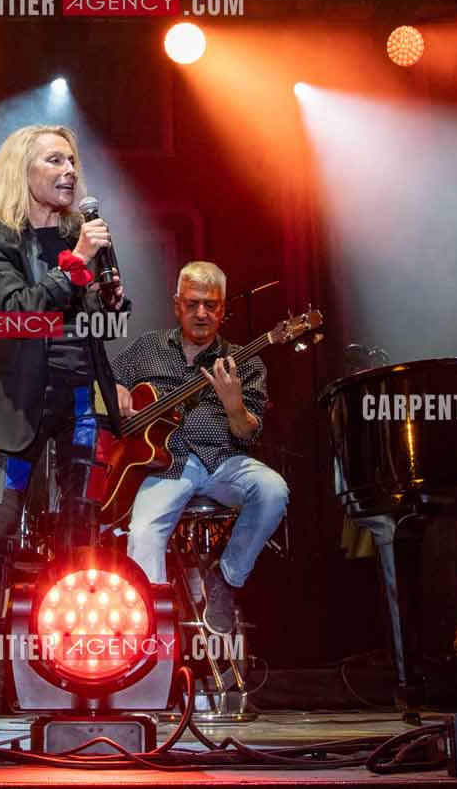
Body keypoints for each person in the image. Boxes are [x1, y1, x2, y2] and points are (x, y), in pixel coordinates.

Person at [0, 123, 126, 729]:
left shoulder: (87, 234)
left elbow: (109, 316)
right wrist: (76, 264)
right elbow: (14, 314)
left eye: (73, 160)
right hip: (19, 406)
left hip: (81, 401)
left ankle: (77, 688)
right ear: (23, 171)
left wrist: (110, 291)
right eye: (54, 160)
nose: (68, 171)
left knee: (80, 542)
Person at [111, 261, 287, 634]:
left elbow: (247, 434)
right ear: (177, 304)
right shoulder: (148, 347)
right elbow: (108, 380)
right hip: (166, 465)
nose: (201, 313)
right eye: (192, 304)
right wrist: (118, 391)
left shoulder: (246, 361)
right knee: (142, 534)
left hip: (223, 460)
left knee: (273, 490)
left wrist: (233, 404)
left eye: (211, 305)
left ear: (223, 309)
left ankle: (226, 579)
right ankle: (151, 632)